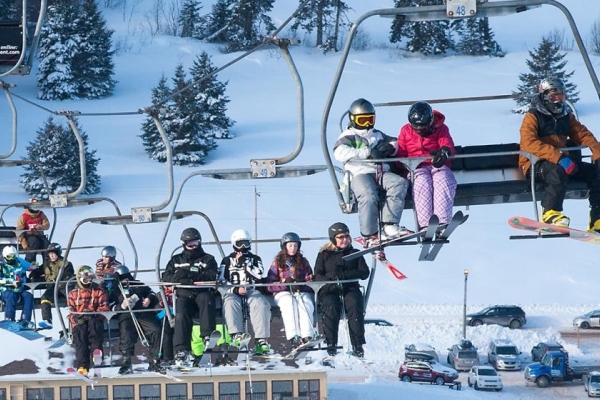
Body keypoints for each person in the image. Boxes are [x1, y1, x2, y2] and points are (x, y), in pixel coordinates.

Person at [519, 76, 600, 231]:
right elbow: (529, 143)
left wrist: (597, 152)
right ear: (545, 96)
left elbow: (582, 135)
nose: (558, 101)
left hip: (562, 162)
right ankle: (550, 213)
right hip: (534, 164)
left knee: (595, 173)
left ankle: (597, 218)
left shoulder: (565, 116)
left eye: (561, 97)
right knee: (558, 170)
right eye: (554, 97)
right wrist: (559, 157)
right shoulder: (533, 116)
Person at [333, 98, 411, 247]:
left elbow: (396, 142)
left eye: (370, 119)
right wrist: (367, 153)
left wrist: (389, 148)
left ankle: (389, 225)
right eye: (362, 120)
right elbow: (339, 152)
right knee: (368, 195)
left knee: (399, 183)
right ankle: (370, 234)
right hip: (359, 173)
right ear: (353, 119)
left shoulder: (377, 134)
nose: (367, 124)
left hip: (380, 172)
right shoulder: (348, 135)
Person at [396, 101, 457, 230]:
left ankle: (442, 222)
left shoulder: (441, 128)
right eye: (415, 127)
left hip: (436, 164)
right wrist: (402, 165)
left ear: (430, 122)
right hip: (416, 167)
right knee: (422, 182)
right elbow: (401, 152)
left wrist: (444, 152)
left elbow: (446, 143)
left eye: (423, 128)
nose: (419, 131)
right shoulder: (405, 131)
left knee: (443, 179)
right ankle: (425, 224)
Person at [161, 227, 218, 365]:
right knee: (181, 312)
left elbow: (211, 275)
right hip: (184, 294)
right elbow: (166, 276)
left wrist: (190, 276)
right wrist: (178, 278)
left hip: (202, 292)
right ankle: (182, 349)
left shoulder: (208, 259)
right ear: (184, 244)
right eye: (189, 244)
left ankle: (207, 336)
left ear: (200, 242)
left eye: (195, 243)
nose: (193, 246)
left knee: (206, 300)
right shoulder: (176, 260)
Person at [314, 222, 370, 358]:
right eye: (340, 237)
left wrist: (342, 276)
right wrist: (330, 279)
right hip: (330, 290)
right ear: (333, 238)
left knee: (354, 304)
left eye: (346, 236)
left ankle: (357, 344)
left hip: (349, 288)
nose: (344, 240)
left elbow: (364, 272)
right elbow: (317, 274)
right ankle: (331, 343)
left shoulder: (355, 253)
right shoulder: (324, 255)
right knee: (331, 306)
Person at [219, 229, 271, 355]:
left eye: (246, 243)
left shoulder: (255, 259)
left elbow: (259, 275)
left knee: (260, 304)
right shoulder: (226, 261)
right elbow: (221, 280)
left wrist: (245, 264)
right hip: (233, 291)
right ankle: (236, 335)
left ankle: (261, 339)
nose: (243, 247)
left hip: (251, 289)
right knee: (230, 303)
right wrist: (235, 289)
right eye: (240, 243)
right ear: (234, 244)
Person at [108, 265, 164, 374]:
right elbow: (110, 306)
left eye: (127, 277)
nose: (125, 279)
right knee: (126, 332)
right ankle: (126, 361)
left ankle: (155, 360)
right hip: (126, 314)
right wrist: (122, 306)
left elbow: (151, 292)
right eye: (122, 277)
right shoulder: (115, 290)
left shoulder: (137, 284)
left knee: (156, 330)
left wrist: (148, 299)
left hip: (142, 312)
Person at [266, 232, 316, 349]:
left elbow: (310, 280)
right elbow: (269, 285)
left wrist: (301, 283)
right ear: (284, 247)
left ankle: (307, 335)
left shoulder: (303, 262)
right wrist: (284, 284)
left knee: (305, 302)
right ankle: (294, 337)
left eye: (295, 246)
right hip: (282, 293)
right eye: (290, 246)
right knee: (289, 304)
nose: (293, 249)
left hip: (299, 291)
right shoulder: (278, 262)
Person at [67, 265, 109, 376]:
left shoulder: (99, 291)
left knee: (94, 327)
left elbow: (104, 307)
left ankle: (96, 353)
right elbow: (71, 310)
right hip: (79, 321)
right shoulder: (73, 294)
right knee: (81, 338)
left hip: (94, 318)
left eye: (90, 279)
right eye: (85, 280)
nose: (88, 282)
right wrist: (77, 318)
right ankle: (82, 366)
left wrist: (94, 314)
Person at [30, 243, 75, 330]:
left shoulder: (66, 264)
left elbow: (68, 276)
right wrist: (33, 276)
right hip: (52, 288)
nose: (52, 256)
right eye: (50, 254)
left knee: (72, 298)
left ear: (58, 253)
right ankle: (48, 320)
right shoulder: (47, 264)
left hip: (63, 287)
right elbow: (38, 271)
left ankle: (77, 317)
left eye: (53, 254)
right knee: (45, 297)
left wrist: (58, 281)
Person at [0, 246, 34, 328]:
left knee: (28, 296)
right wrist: (11, 282)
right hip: (5, 291)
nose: (11, 259)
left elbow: (30, 269)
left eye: (13, 256)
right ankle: (10, 318)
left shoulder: (19, 264)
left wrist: (23, 280)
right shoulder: (2, 266)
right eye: (9, 256)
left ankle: (25, 319)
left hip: (19, 290)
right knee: (11, 295)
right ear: (5, 256)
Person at [16, 198, 50, 263]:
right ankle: (30, 261)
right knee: (34, 241)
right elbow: (19, 231)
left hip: (39, 234)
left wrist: (40, 227)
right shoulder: (24, 217)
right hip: (28, 235)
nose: (35, 211)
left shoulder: (41, 215)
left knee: (46, 243)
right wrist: (23, 242)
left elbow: (47, 224)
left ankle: (47, 262)